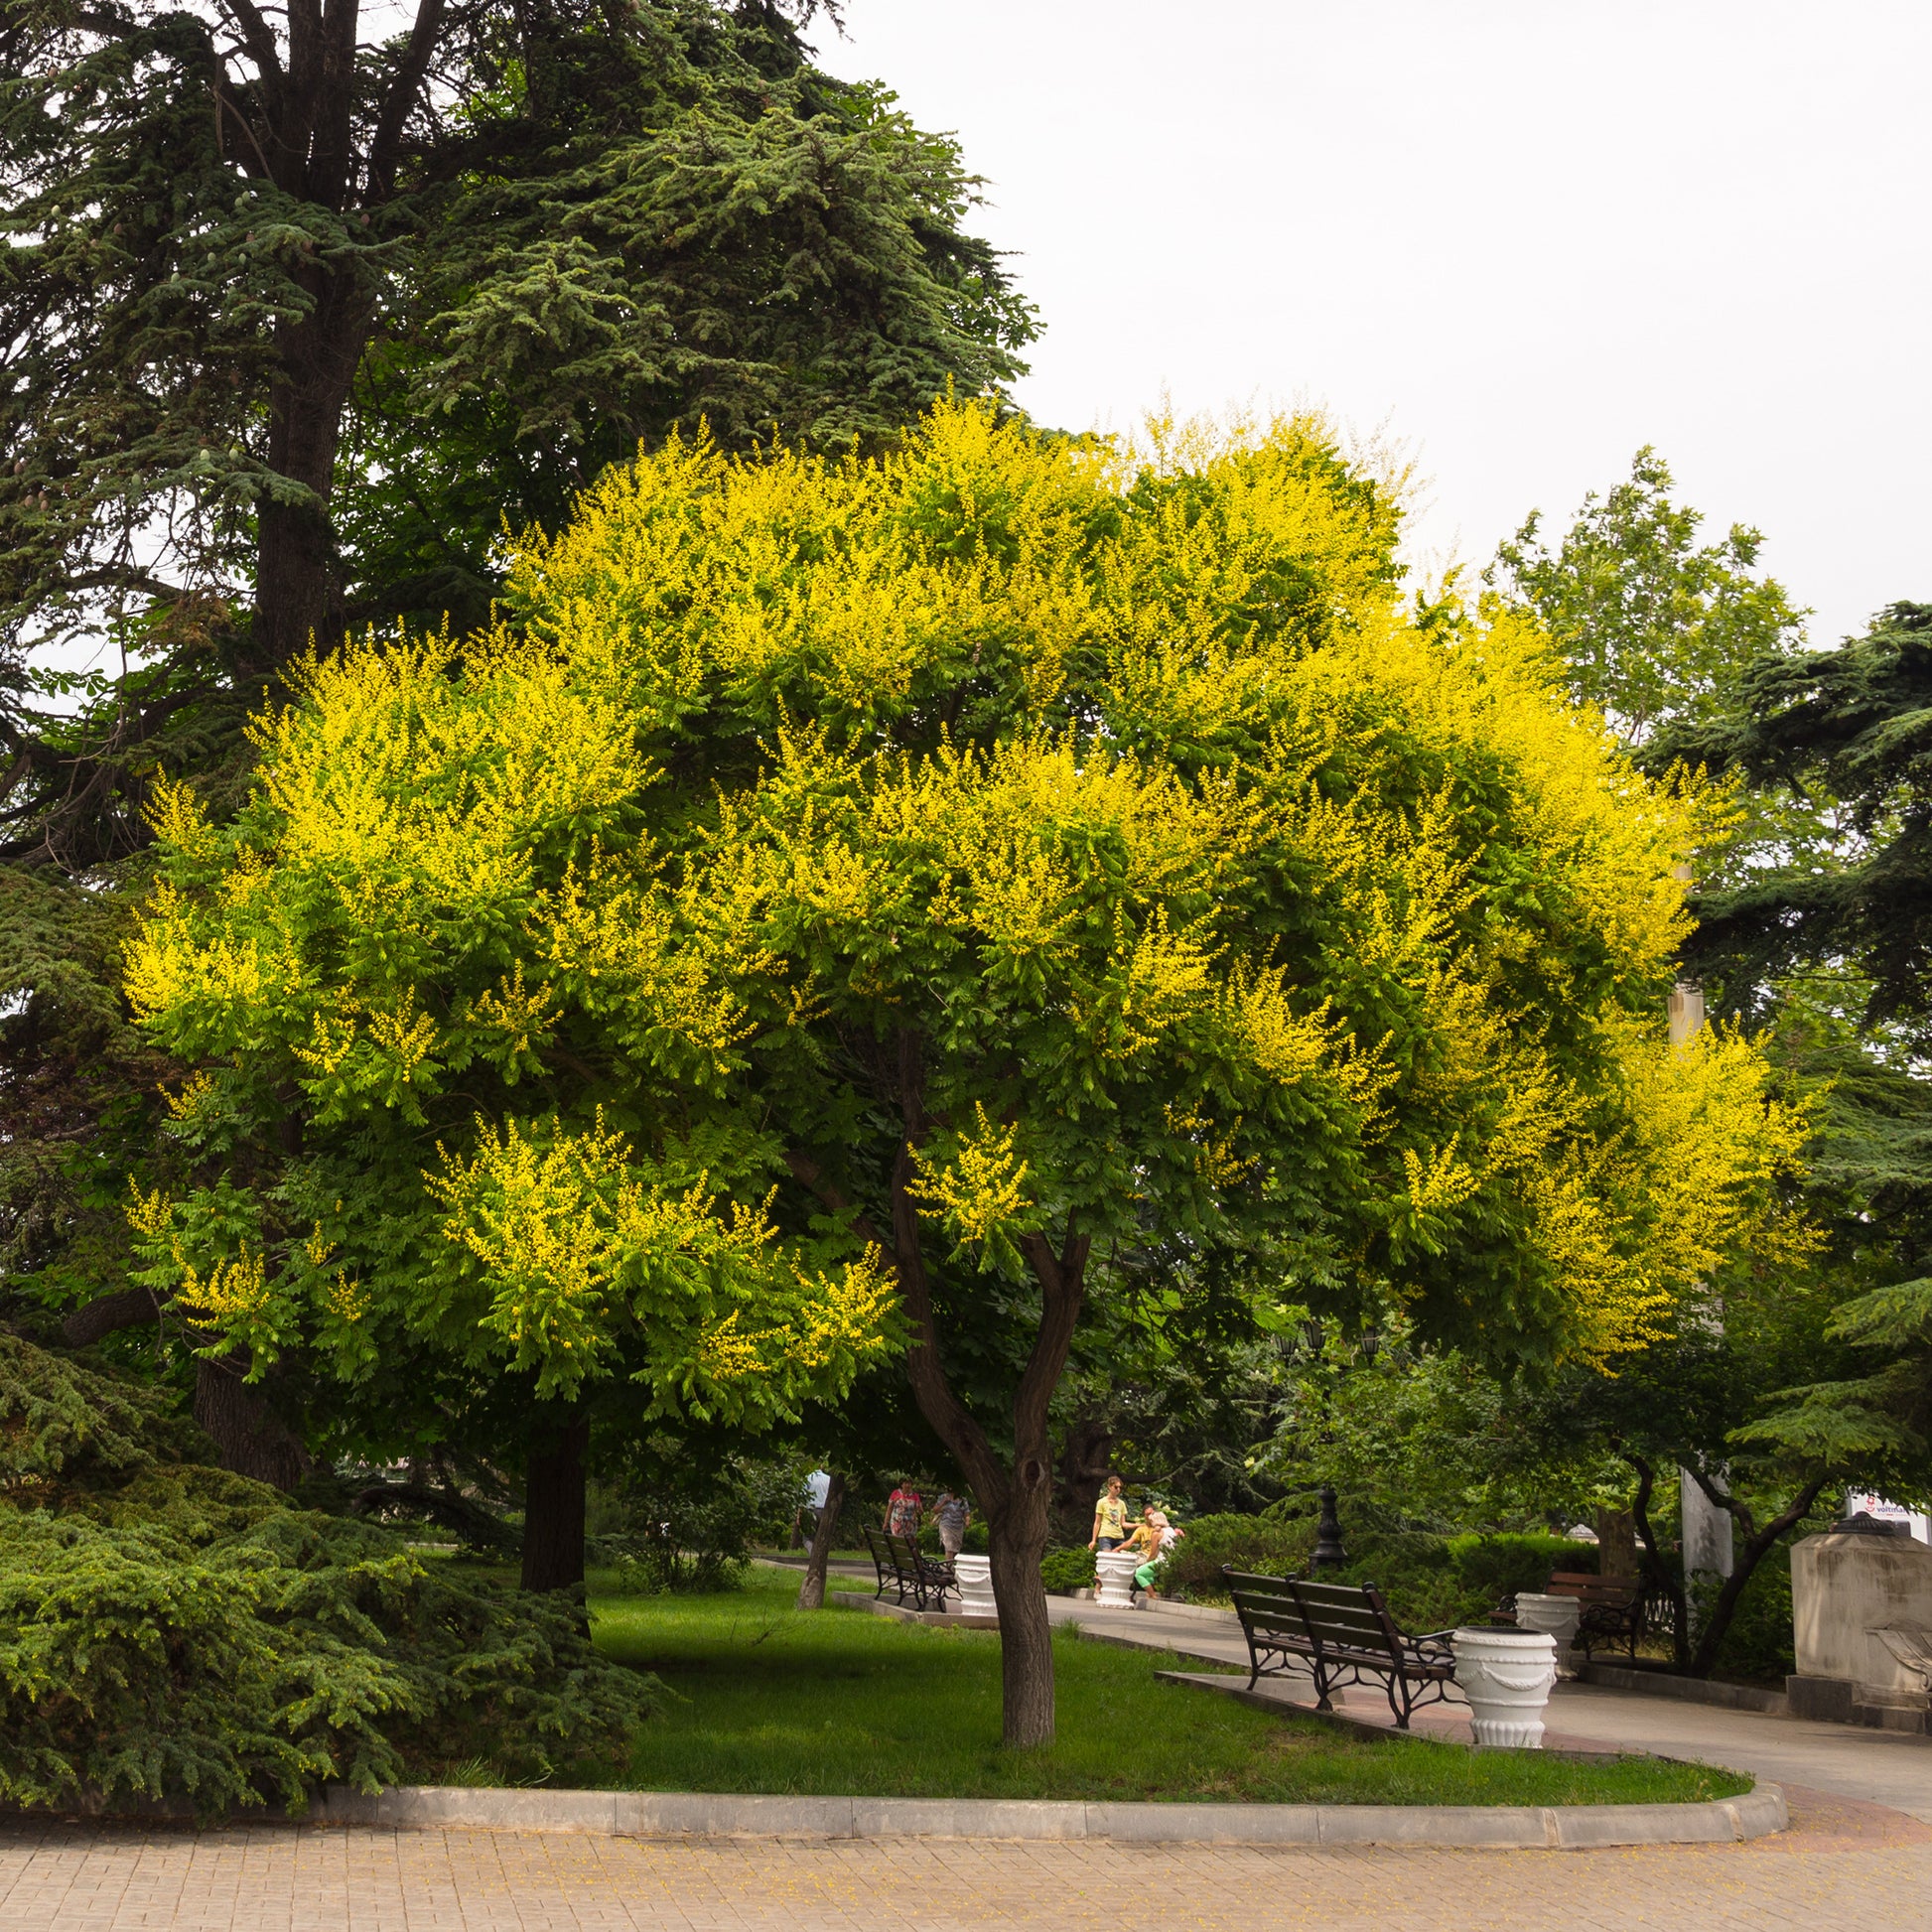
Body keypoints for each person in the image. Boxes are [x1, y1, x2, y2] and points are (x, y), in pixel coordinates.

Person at [1119, 1506, 1182, 1598]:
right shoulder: (1171, 1530)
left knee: (1138, 1573)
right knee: (1148, 1573)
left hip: (1162, 1562)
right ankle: (1149, 1594)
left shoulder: (1156, 1534)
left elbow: (1153, 1554)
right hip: (1171, 1562)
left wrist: (1147, 1561)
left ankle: (1153, 1595)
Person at [1088, 1474, 1128, 1552]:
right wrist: (1093, 1540)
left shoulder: (1122, 1503)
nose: (1118, 1489)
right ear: (1109, 1486)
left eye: (1120, 1487)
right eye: (1116, 1487)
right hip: (1105, 1536)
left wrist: (1139, 1525)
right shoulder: (1101, 1502)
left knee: (1119, 1560)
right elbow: (1097, 1522)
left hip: (1119, 1536)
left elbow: (1123, 1523)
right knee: (1107, 1556)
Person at [933, 1488, 969, 1560]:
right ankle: (948, 1568)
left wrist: (967, 1521)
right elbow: (935, 1510)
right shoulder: (943, 1497)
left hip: (958, 1526)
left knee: (955, 1549)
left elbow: (966, 1512)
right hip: (946, 1524)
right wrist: (943, 1502)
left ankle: (949, 1565)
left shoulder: (963, 1500)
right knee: (949, 1546)